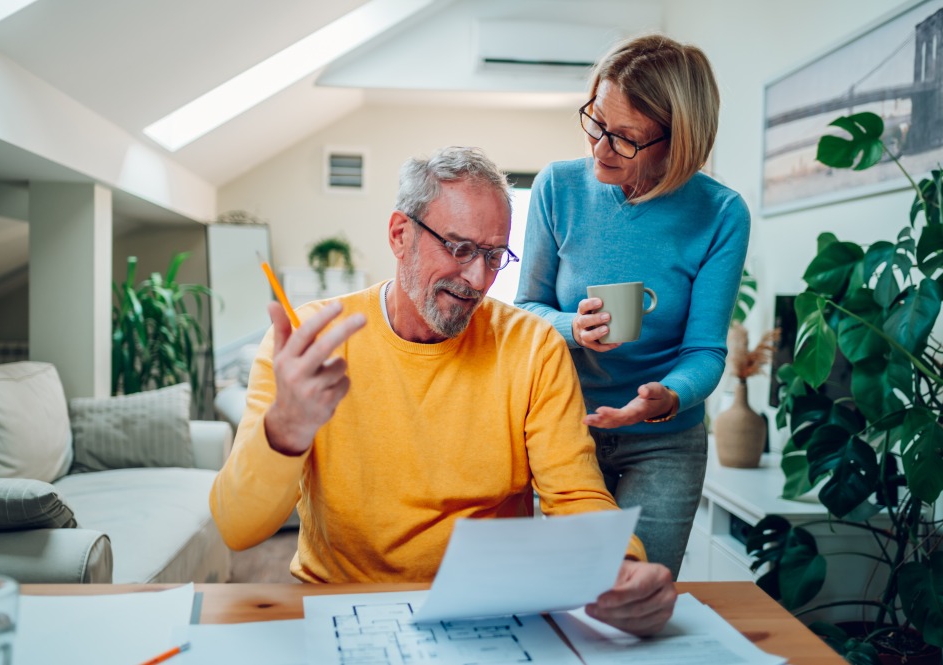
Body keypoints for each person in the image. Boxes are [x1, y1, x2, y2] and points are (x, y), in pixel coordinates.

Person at [210, 146, 676, 636]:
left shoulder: (533, 346)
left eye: (494, 255)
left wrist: (621, 564)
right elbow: (238, 528)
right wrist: (285, 429)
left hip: (490, 612)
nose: (478, 278)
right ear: (400, 234)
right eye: (459, 249)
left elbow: (575, 493)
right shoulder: (308, 345)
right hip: (341, 608)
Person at [515, 34, 750, 580]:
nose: (599, 148)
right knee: (568, 588)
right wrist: (572, 327)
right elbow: (527, 306)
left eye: (624, 138)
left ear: (678, 142)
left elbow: (706, 351)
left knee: (638, 596)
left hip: (666, 442)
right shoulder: (558, 187)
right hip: (567, 430)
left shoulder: (720, 214)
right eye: (595, 122)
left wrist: (668, 397)